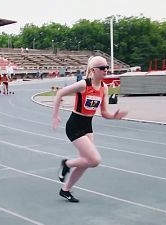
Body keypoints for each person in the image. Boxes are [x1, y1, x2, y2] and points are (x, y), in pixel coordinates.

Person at [52, 56, 128, 202]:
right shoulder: (83, 85)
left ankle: (65, 190)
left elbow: (104, 113)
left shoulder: (104, 88)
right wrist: (55, 115)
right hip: (74, 125)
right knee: (94, 160)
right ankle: (67, 164)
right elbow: (60, 93)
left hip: (88, 125)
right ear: (93, 70)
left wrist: (114, 116)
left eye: (107, 67)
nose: (106, 70)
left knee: (86, 162)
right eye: (102, 68)